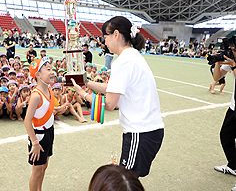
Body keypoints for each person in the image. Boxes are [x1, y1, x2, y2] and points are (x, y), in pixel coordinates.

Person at [71, 16, 164, 177]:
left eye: (105, 37)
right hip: (147, 131)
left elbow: (109, 104)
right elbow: (114, 88)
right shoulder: (132, 56)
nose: (104, 42)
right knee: (128, 180)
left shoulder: (123, 62)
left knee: (125, 179)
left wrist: (84, 95)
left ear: (115, 34)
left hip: (140, 132)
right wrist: (88, 83)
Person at [24, 57, 55, 191]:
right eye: (48, 69)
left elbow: (44, 111)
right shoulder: (36, 95)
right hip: (38, 136)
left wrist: (59, 109)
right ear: (37, 75)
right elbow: (27, 121)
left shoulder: (49, 90)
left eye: (52, 68)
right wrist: (35, 143)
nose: (52, 71)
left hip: (49, 132)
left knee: (44, 166)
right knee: (36, 172)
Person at [213, 43, 236, 176]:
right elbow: (217, 78)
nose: (231, 52)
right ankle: (233, 166)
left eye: (234, 50)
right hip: (233, 107)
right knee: (226, 136)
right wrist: (217, 62)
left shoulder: (234, 63)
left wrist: (233, 65)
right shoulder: (232, 62)